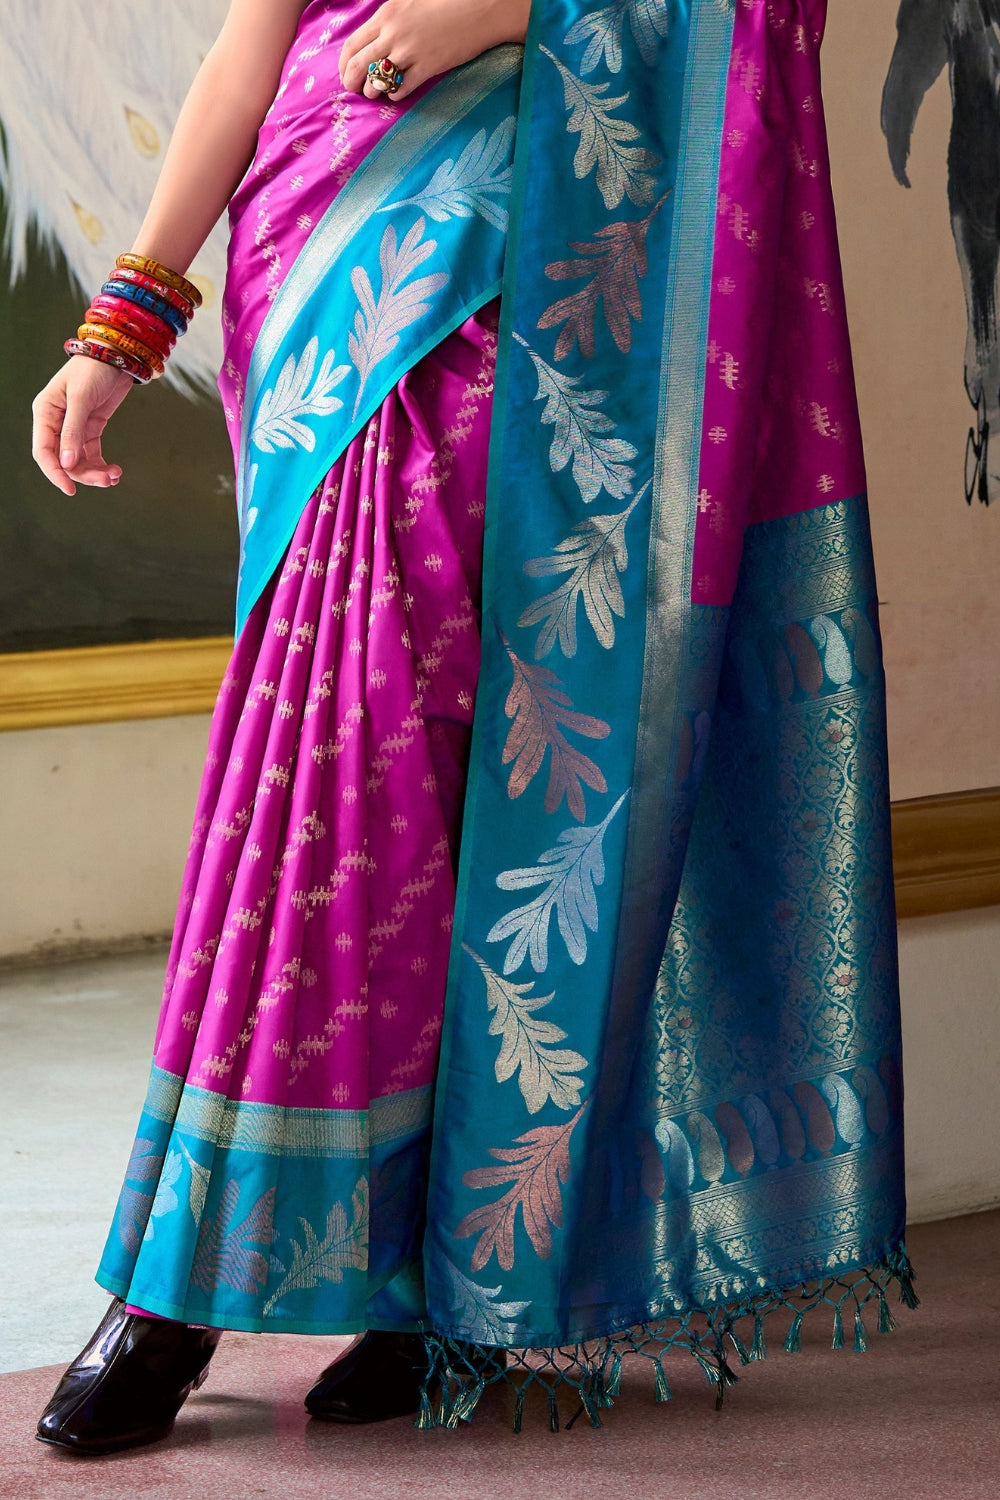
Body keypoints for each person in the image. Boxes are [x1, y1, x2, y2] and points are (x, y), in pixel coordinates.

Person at [29, 0, 917, 1456]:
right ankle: (182, 1287)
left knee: (487, 792)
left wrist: (500, 10)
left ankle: (427, 1280)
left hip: (548, 288)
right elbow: (254, 42)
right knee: (326, 775)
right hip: (327, 293)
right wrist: (125, 324)